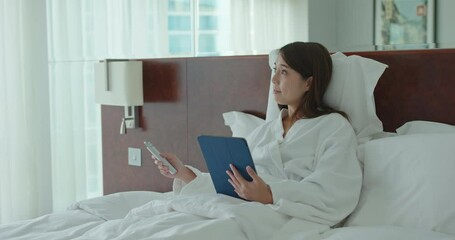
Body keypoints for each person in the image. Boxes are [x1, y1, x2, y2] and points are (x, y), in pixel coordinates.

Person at [153, 42, 362, 226]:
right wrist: (184, 174)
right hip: (239, 205)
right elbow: (230, 181)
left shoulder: (333, 127)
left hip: (283, 213)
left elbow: (333, 191)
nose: (273, 80)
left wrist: (270, 194)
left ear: (308, 82)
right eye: (274, 70)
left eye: (284, 72)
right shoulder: (265, 131)